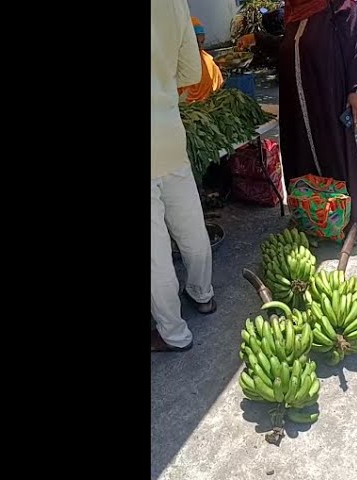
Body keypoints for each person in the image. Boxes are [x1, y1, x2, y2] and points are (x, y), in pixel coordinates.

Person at [237, 0, 357, 232]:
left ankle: (344, 219)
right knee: (300, 155)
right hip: (296, 104)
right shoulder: (293, 11)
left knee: (333, 152)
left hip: (328, 96)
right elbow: (288, 46)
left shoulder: (338, 5)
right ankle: (309, 215)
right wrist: (258, 40)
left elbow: (356, 41)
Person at [151, 0, 217, 352]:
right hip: (169, 133)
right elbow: (192, 71)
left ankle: (173, 333)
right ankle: (202, 294)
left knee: (154, 252)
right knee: (190, 223)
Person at [177, 17, 224, 103]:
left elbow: (218, 89)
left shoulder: (208, 62)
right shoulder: (177, 64)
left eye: (202, 42)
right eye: (195, 42)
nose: (199, 47)